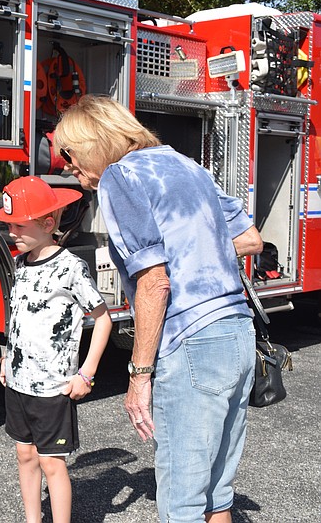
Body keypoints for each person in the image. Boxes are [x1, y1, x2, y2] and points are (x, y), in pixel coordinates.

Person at [53, 95, 263, 523]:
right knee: (216, 494)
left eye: (70, 154)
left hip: (190, 343)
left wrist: (139, 376)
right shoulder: (186, 165)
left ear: (94, 142)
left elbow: (154, 282)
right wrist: (194, 250)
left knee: (182, 503)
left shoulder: (120, 177)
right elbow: (251, 238)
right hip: (238, 333)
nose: (68, 167)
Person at [0, 176, 112, 523]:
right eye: (9, 225)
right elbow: (15, 314)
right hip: (18, 382)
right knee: (24, 455)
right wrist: (6, 355)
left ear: (48, 223)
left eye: (19, 225)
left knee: (51, 462)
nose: (12, 232)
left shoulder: (70, 268)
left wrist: (86, 375)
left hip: (52, 387)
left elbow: (103, 319)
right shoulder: (20, 264)